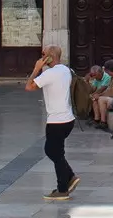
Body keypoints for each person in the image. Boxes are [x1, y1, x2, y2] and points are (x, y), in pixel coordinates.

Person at [25, 45, 79, 200]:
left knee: (52, 151)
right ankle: (66, 181)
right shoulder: (65, 70)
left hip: (56, 121)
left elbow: (29, 87)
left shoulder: (50, 73)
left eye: (43, 55)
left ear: (49, 57)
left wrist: (36, 69)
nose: (41, 57)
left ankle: (65, 185)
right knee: (56, 152)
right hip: (68, 118)